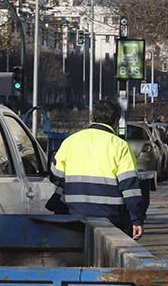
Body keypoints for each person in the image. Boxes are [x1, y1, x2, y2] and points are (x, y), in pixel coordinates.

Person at [46, 100, 144, 239]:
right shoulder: (120, 146)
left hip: (74, 213)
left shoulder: (70, 141)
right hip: (109, 217)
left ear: (93, 117)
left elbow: (55, 175)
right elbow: (130, 188)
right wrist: (136, 220)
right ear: (116, 121)